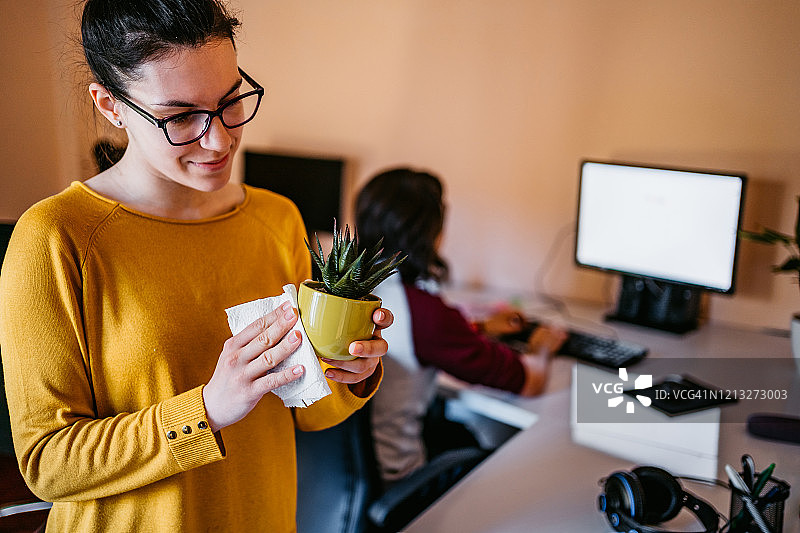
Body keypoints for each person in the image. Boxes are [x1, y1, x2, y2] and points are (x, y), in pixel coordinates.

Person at [0, 1, 391, 531]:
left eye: (231, 102)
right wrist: (206, 410)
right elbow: (47, 463)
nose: (220, 138)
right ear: (110, 105)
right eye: (181, 116)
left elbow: (311, 410)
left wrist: (355, 370)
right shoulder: (56, 238)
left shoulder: (277, 220)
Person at [355, 167, 566, 484]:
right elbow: (530, 381)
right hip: (397, 477)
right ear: (430, 233)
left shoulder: (349, 289)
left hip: (344, 482)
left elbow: (421, 336)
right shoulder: (426, 313)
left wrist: (477, 329)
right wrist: (542, 345)